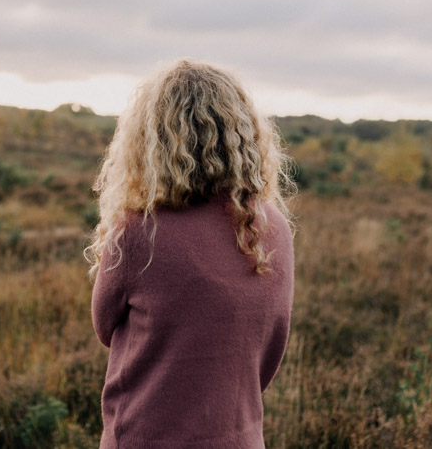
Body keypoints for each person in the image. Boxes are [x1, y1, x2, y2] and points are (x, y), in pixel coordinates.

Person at [87, 59, 295, 449]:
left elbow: (104, 326)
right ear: (244, 133)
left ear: (150, 140)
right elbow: (271, 347)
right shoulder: (274, 229)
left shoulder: (137, 232)